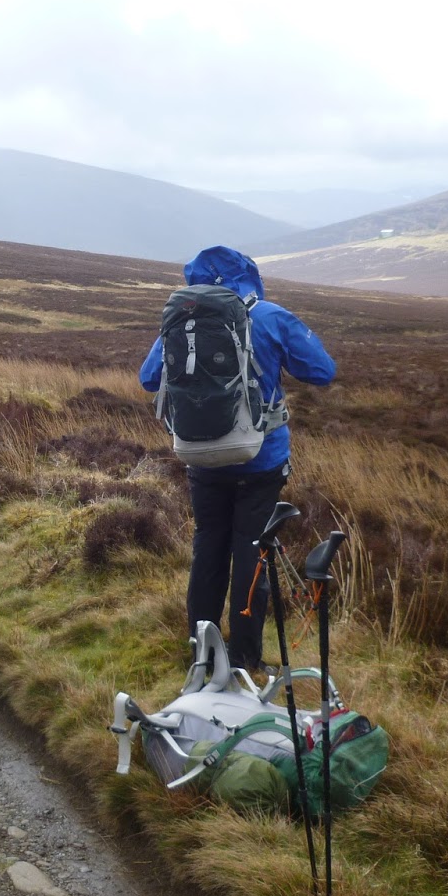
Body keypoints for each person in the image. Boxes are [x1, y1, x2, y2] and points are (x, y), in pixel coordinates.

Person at [138, 245, 336, 670]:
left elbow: (148, 378)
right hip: (261, 458)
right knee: (252, 553)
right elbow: (323, 371)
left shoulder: (183, 318)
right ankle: (245, 658)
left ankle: (202, 653)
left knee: (208, 546)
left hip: (200, 457)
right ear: (249, 275)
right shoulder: (271, 316)